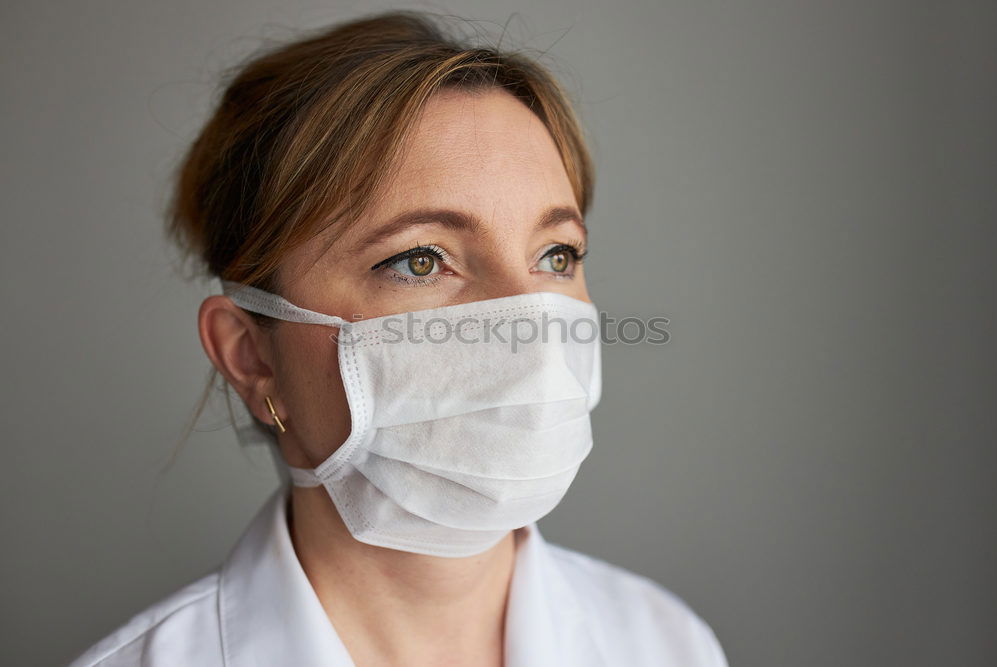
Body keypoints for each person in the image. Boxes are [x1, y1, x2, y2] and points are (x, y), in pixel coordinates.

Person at [69, 10, 728, 667]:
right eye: (419, 260)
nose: (527, 324)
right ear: (251, 355)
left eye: (556, 254)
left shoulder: (668, 644)